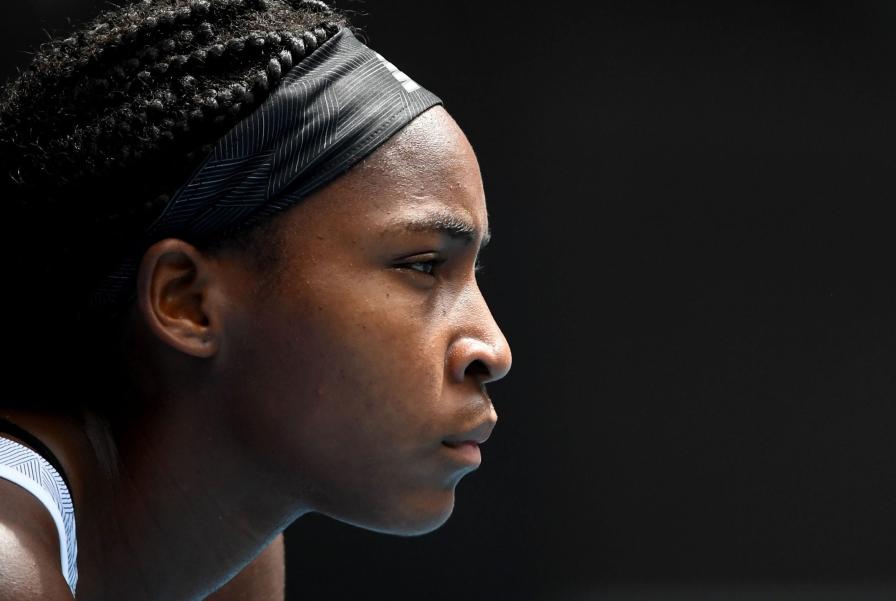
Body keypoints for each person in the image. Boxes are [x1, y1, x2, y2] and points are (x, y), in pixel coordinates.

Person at [0, 0, 513, 599]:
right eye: (422, 266)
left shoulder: (230, 546)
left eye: (473, 272)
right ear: (186, 300)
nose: (492, 350)